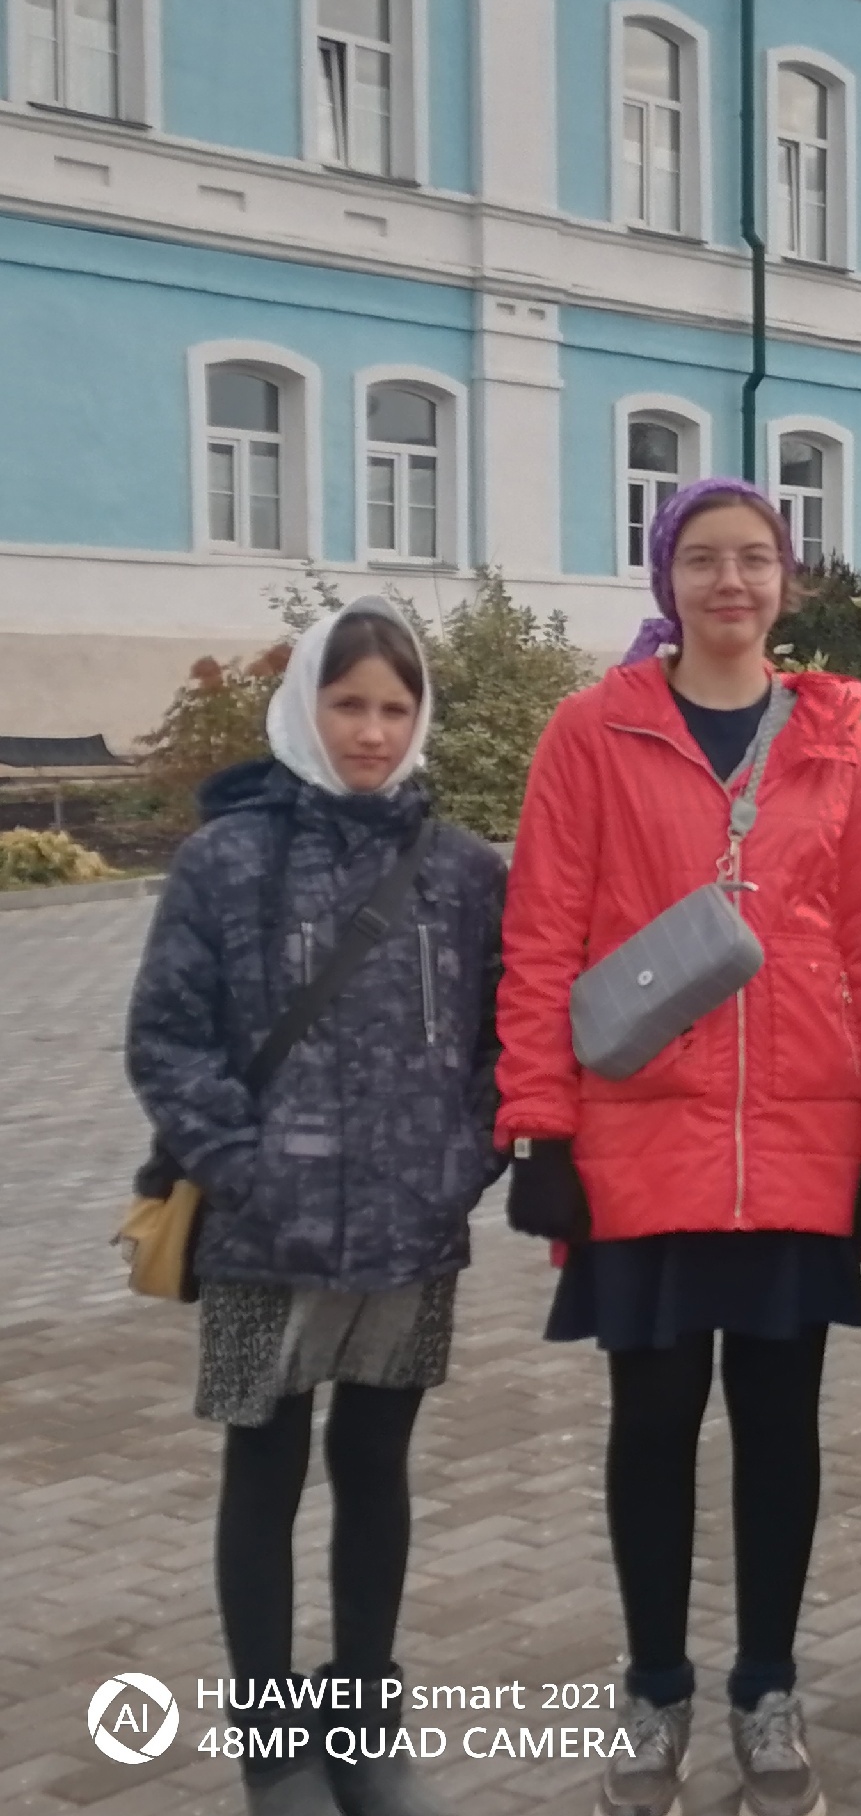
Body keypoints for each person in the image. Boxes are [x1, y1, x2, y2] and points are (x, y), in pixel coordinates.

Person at [497, 479, 861, 1816]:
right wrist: (538, 1126)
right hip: (642, 1141)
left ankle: (769, 1685)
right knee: (655, 1422)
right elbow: (545, 931)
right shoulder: (591, 730)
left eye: (756, 561)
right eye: (703, 560)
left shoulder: (839, 743)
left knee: (782, 1427)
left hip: (797, 1138)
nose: (731, 582)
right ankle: (658, 1683)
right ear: (664, 578)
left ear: (788, 583)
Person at [127, 598, 507, 1816]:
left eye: (395, 707)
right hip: (256, 1239)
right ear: (305, 704)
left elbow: (509, 1038)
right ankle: (273, 1743)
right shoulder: (226, 860)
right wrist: (247, 1163)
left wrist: (460, 1162)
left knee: (378, 1467)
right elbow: (167, 1037)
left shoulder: (459, 872)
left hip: (411, 1230)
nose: (373, 731)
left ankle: (361, 1720)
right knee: (264, 1470)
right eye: (350, 703)